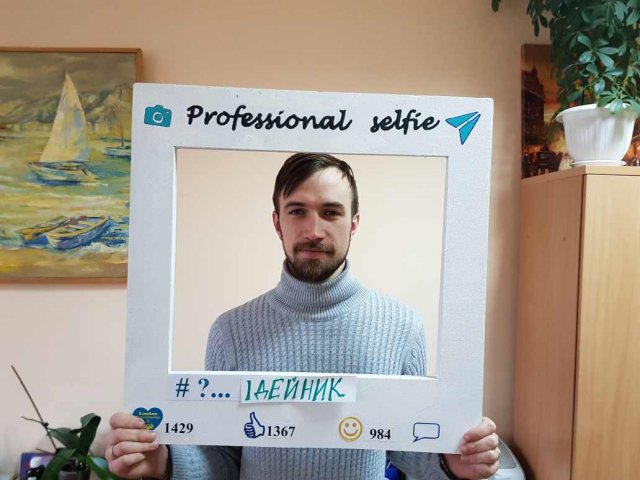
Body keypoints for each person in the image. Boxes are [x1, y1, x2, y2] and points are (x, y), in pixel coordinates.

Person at [106, 153, 500, 480]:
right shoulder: (230, 330)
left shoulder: (402, 326)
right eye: (297, 211)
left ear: (354, 223)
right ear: (277, 222)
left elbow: (409, 453)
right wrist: (162, 462)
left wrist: (453, 464)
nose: (313, 230)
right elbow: (222, 458)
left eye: (331, 212)